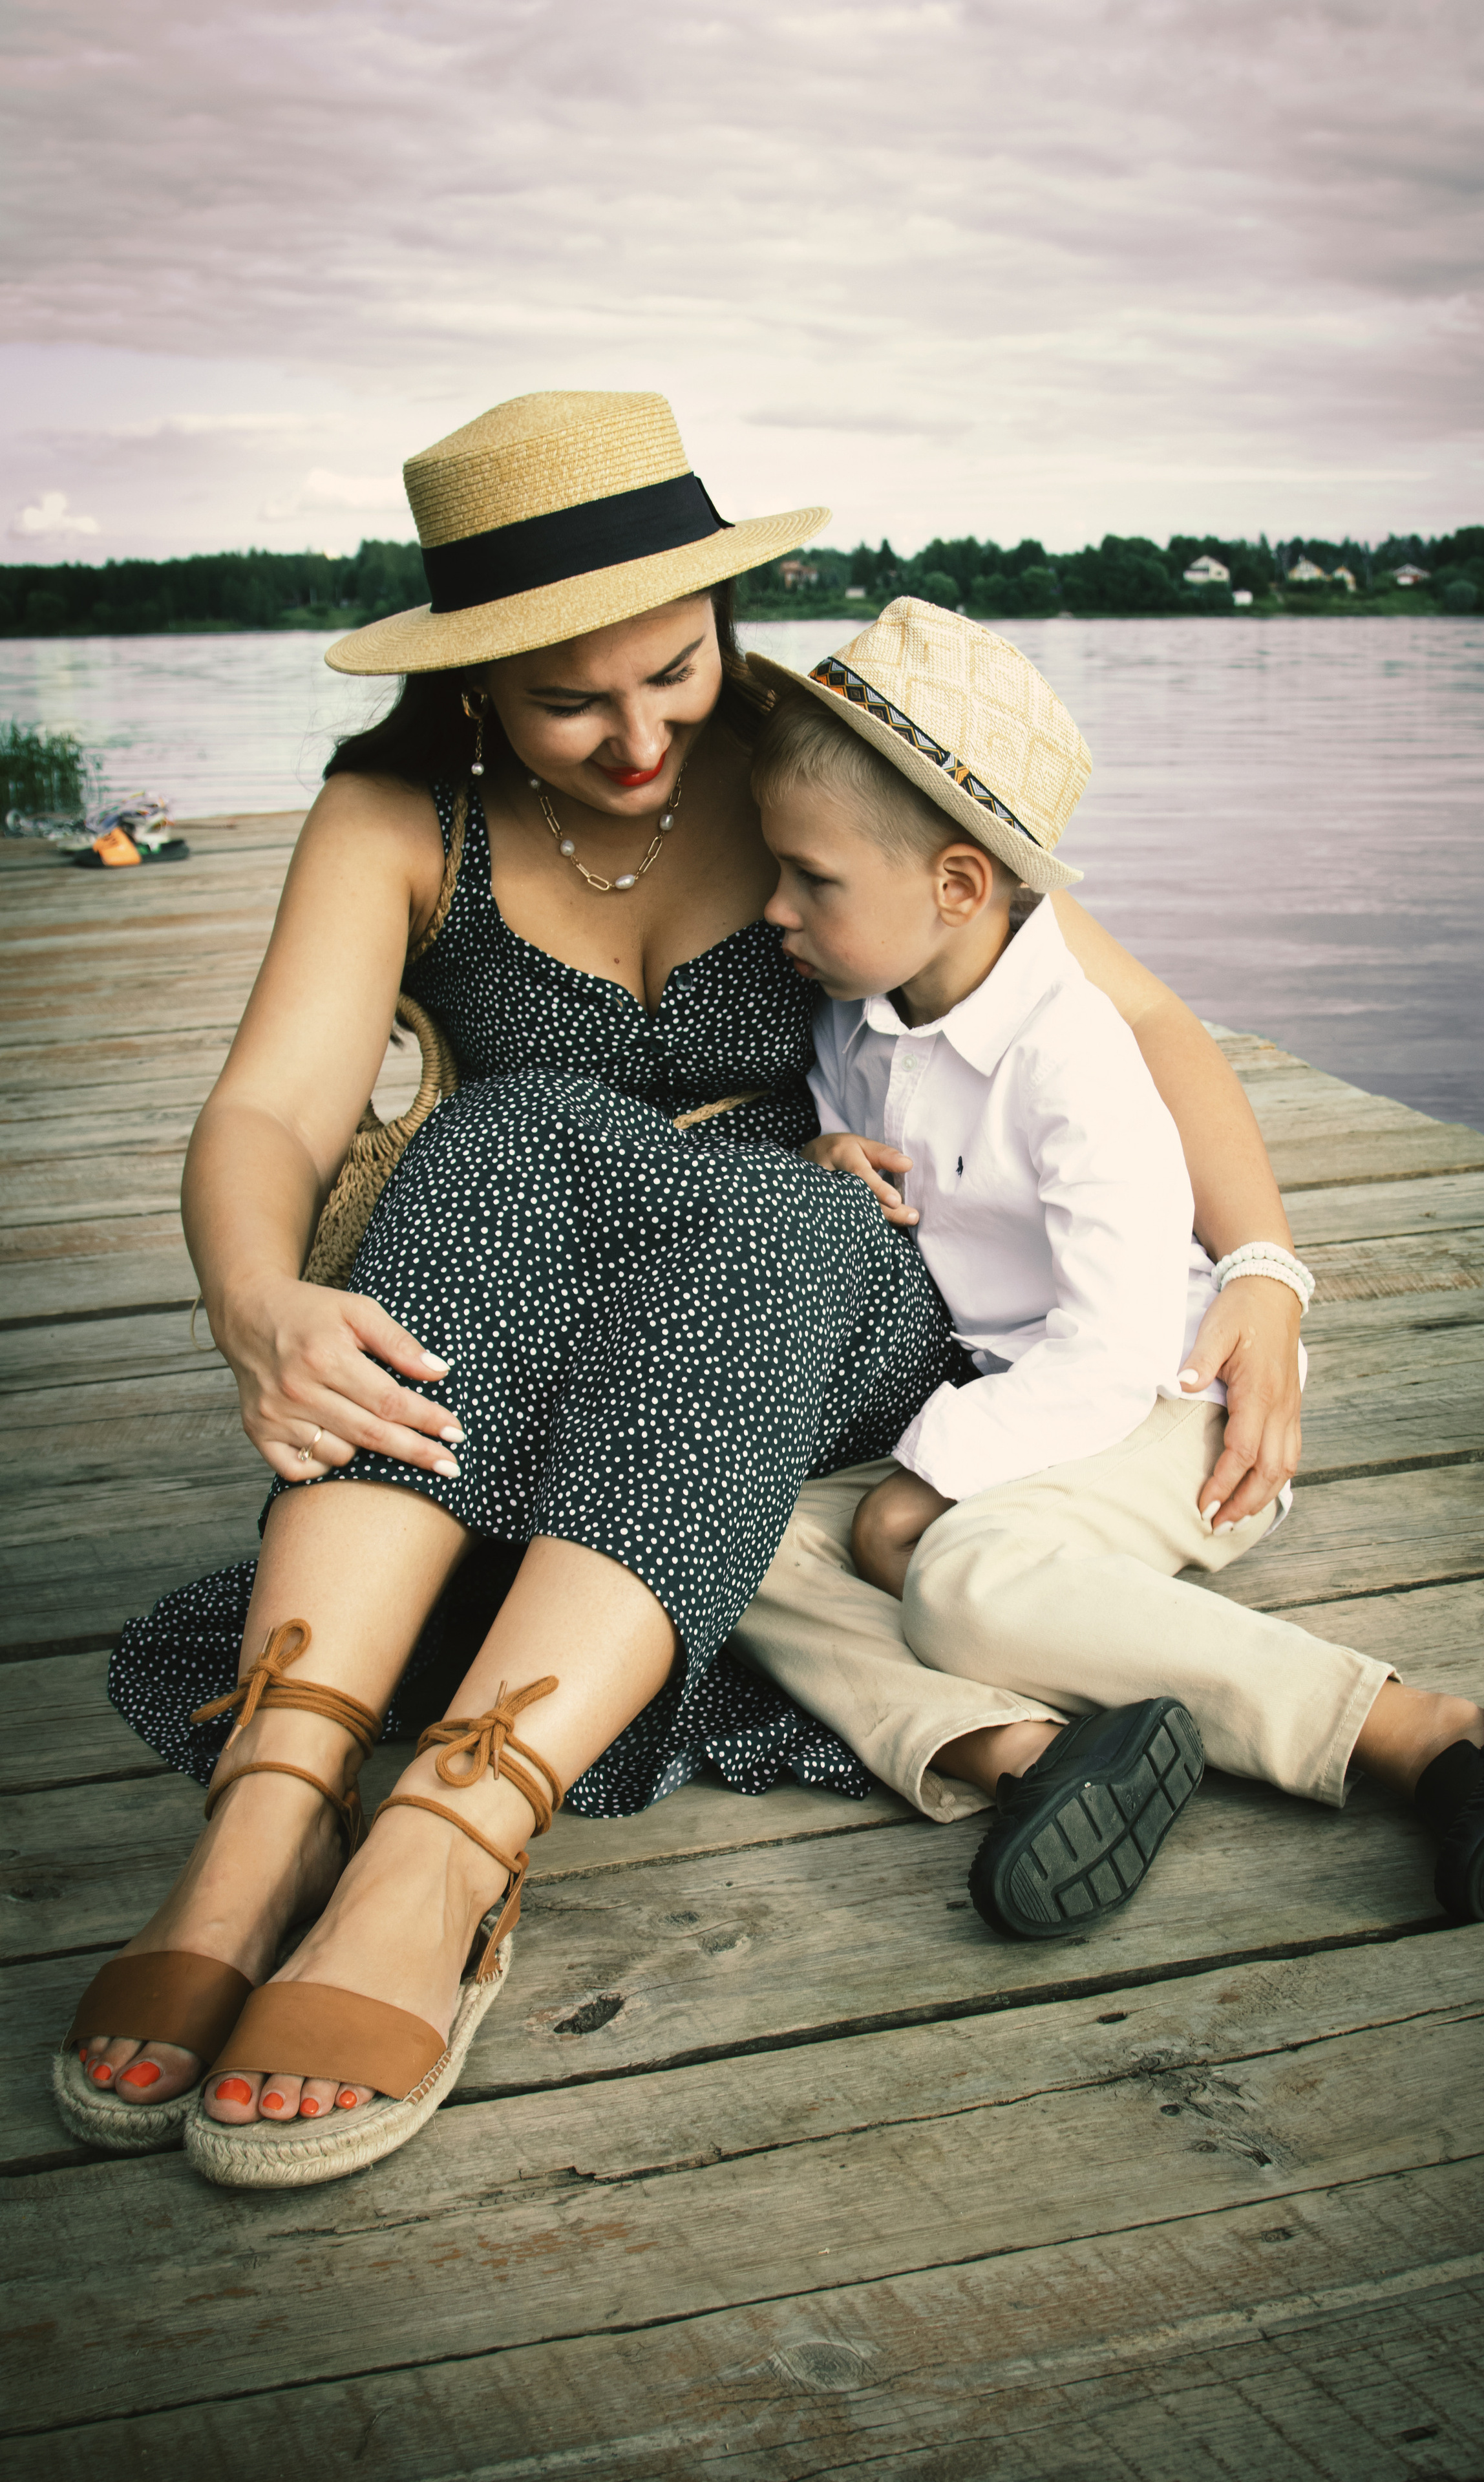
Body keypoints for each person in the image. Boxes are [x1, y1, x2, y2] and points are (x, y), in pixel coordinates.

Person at [58, 391, 1307, 2190]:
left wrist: (1260, 1268)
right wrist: (257, 1301)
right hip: (504, 1309)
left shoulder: (822, 767)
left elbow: (1135, 1015)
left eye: (677, 671)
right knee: (504, 1137)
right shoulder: (399, 814)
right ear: (475, 680)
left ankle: (445, 1853)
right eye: (574, 698)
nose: (643, 736)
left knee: (764, 1212)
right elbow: (268, 1105)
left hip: (815, 1295)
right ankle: (263, 1824)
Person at [729, 599, 1484, 1938]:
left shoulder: (1072, 1063)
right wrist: (821, 1150)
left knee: (956, 1567)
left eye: (809, 880)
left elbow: (1115, 1347)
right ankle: (1028, 1748)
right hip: (1032, 1399)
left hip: (1171, 1404)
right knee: (737, 1533)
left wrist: (923, 1479)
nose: (771, 908)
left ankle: (1434, 1735)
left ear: (957, 887)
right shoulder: (863, 1013)